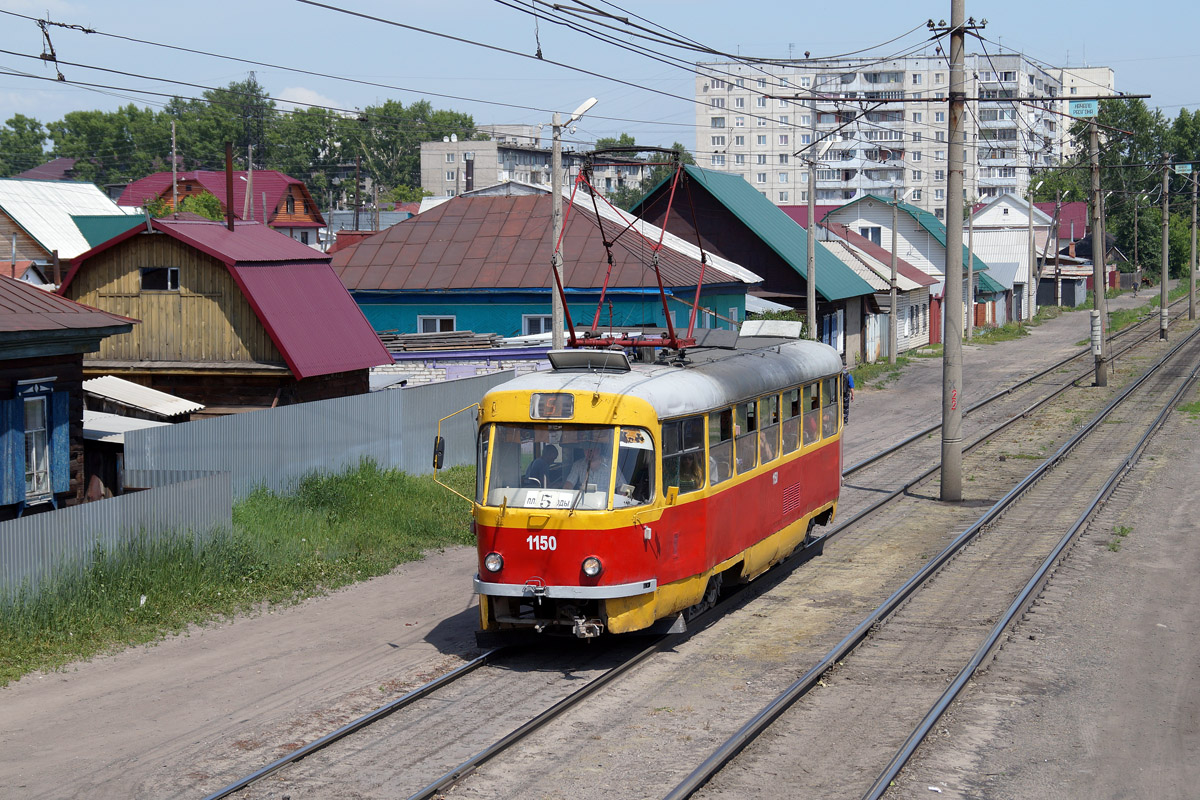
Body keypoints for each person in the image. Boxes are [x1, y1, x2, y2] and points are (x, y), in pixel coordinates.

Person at [842, 359, 855, 424]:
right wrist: (853, 395)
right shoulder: (849, 375)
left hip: (838, 394)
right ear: (846, 367)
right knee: (845, 408)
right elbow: (852, 387)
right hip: (846, 393)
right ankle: (845, 421)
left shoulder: (838, 375)